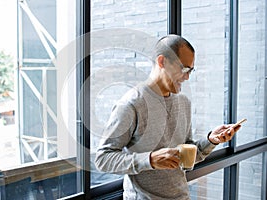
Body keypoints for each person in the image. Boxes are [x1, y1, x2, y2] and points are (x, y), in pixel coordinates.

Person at [94, 34, 241, 200]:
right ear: (162, 61)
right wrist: (149, 160)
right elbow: (103, 159)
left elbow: (186, 156)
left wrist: (211, 140)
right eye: (184, 69)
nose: (187, 77)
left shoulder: (183, 102)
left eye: (190, 71)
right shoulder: (131, 104)